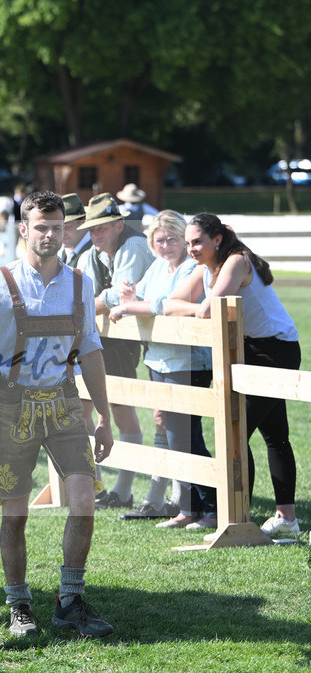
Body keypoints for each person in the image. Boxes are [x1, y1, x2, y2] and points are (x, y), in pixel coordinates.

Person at [0, 190, 114, 638]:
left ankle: (69, 602)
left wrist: (104, 417)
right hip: (13, 406)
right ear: (23, 229)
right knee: (15, 514)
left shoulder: (80, 283)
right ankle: (19, 605)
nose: (49, 235)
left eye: (57, 227)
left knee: (84, 502)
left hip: (65, 403)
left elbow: (91, 350)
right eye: (41, 227)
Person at [164, 213, 302, 538]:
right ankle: (285, 518)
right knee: (275, 435)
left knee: (236, 432)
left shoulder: (237, 261)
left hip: (276, 351)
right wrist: (197, 309)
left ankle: (239, 519)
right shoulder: (205, 268)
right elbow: (171, 305)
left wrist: (199, 309)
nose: (192, 249)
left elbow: (209, 309)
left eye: (197, 242)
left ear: (217, 239)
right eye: (188, 243)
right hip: (248, 349)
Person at [110, 211, 216, 529]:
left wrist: (130, 306)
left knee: (183, 438)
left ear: (183, 240)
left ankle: (210, 507)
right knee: (177, 436)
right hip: (159, 360)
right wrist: (130, 297)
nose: (166, 245)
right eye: (159, 240)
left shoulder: (192, 269)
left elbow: (167, 305)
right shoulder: (157, 266)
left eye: (172, 239)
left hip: (188, 362)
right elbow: (144, 297)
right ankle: (190, 508)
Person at [76, 193, 155, 509]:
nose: (95, 235)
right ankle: (98, 487)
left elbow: (118, 295)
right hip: (101, 338)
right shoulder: (92, 254)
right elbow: (81, 292)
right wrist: (89, 304)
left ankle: (123, 491)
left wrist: (86, 307)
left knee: (122, 411)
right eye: (92, 229)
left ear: (119, 225)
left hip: (126, 340)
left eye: (102, 228)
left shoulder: (133, 245)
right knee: (86, 408)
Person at [60, 192, 91, 264]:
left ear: (82, 222)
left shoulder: (94, 253)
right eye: (58, 228)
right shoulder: (62, 251)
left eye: (66, 227)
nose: (61, 234)